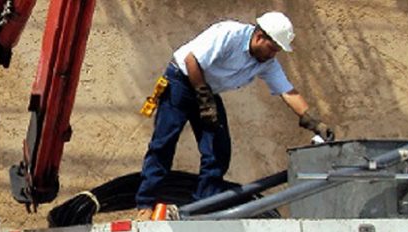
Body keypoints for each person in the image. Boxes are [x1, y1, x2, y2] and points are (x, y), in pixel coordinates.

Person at [135, 11, 334, 215]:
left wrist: (312, 121)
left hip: (208, 92)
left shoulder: (266, 63)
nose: (273, 55)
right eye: (273, 48)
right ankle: (145, 204)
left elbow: (287, 91)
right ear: (260, 37)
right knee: (164, 143)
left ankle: (201, 207)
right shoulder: (229, 34)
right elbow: (191, 60)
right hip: (181, 82)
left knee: (218, 151)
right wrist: (204, 98)